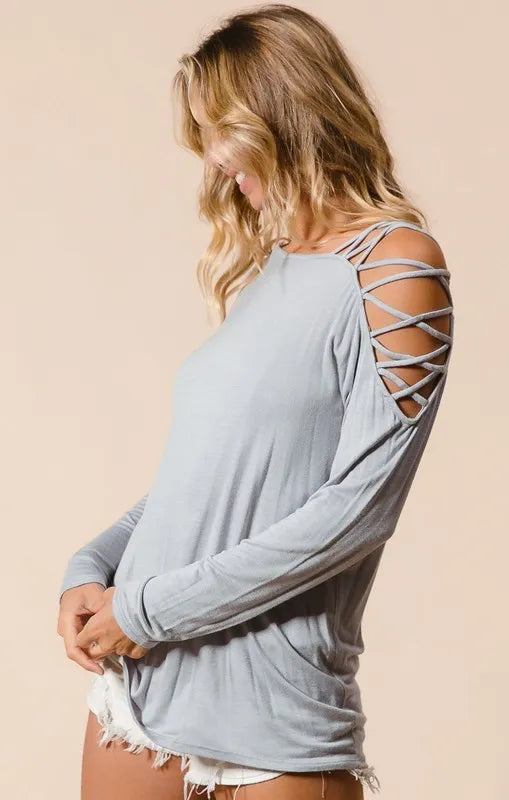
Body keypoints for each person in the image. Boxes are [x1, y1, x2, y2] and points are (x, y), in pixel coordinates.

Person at [56, 4, 455, 799]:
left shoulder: (395, 268)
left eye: (220, 129)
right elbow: (199, 483)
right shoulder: (270, 272)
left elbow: (355, 511)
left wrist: (150, 612)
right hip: (140, 697)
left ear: (284, 114)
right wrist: (88, 566)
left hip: (274, 714)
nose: (210, 158)